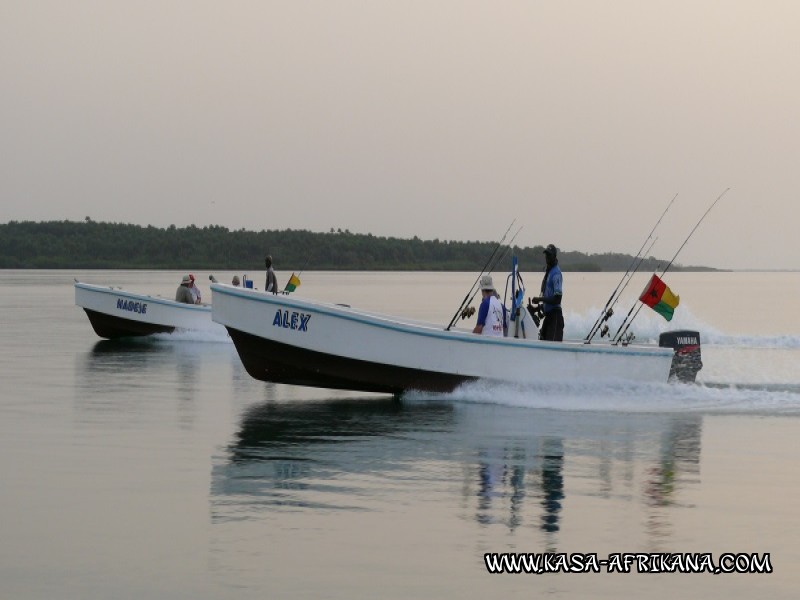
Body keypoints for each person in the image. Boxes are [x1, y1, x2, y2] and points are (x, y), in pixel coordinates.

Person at [530, 244, 564, 341]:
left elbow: (557, 299)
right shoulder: (549, 272)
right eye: (546, 255)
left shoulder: (556, 273)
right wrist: (536, 308)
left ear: (554, 257)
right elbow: (548, 298)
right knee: (541, 341)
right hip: (548, 317)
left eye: (549, 255)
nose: (547, 258)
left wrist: (539, 299)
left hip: (555, 318)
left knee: (552, 350)